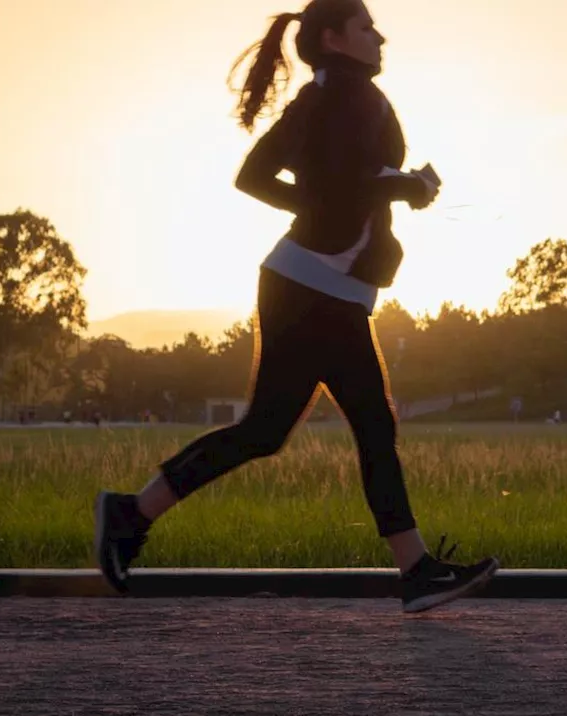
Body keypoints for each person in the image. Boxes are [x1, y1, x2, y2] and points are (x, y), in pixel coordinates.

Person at [94, 0, 498, 613]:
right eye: (366, 27)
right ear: (335, 39)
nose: (380, 36)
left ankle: (131, 512)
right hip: (313, 289)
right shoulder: (344, 100)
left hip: (313, 284)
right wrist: (404, 188)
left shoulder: (326, 97)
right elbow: (335, 183)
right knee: (365, 425)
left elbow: (262, 178)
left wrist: (335, 208)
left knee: (273, 430)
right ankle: (416, 572)